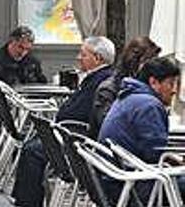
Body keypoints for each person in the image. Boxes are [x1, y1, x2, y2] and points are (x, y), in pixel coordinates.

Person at [11, 36, 116, 207]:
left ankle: (26, 203)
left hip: (78, 143)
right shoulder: (96, 78)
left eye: (83, 54)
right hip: (70, 136)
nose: (78, 58)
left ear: (97, 58)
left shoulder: (101, 82)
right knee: (32, 147)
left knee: (32, 152)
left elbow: (82, 113)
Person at [98, 57, 181, 201]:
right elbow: (156, 154)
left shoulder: (129, 97)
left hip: (115, 181)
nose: (174, 90)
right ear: (153, 82)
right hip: (135, 185)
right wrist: (178, 160)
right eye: (171, 83)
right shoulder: (149, 105)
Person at [0, 26, 47, 131]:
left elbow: (42, 85)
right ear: (11, 42)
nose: (23, 53)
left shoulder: (32, 62)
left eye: (27, 49)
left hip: (29, 113)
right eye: (20, 47)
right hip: (3, 115)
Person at [90, 36, 159, 135]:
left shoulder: (147, 89)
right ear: (135, 63)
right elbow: (110, 128)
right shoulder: (108, 89)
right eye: (150, 62)